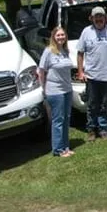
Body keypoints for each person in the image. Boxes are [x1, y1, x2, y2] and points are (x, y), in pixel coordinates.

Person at [76, 5, 107, 141]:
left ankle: (103, 129)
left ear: (105, 17)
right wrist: (80, 72)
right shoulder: (86, 32)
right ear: (91, 18)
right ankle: (91, 129)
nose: (99, 19)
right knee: (91, 105)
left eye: (101, 16)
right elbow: (80, 53)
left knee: (103, 104)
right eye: (96, 17)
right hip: (91, 76)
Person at [38, 26, 74, 158]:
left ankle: (65, 146)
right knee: (58, 120)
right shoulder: (48, 51)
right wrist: (44, 88)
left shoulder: (65, 51)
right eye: (58, 35)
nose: (61, 37)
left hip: (67, 90)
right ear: (53, 37)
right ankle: (58, 149)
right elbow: (41, 71)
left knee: (66, 119)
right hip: (54, 91)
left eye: (63, 35)